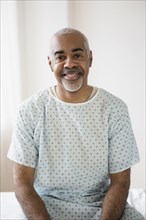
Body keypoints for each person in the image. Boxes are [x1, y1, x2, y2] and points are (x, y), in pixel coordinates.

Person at [7, 28, 144, 220]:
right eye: (60, 57)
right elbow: (22, 185)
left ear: (90, 58)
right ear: (50, 63)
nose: (69, 63)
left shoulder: (114, 109)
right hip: (45, 206)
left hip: (102, 205)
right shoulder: (29, 110)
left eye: (77, 55)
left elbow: (120, 182)